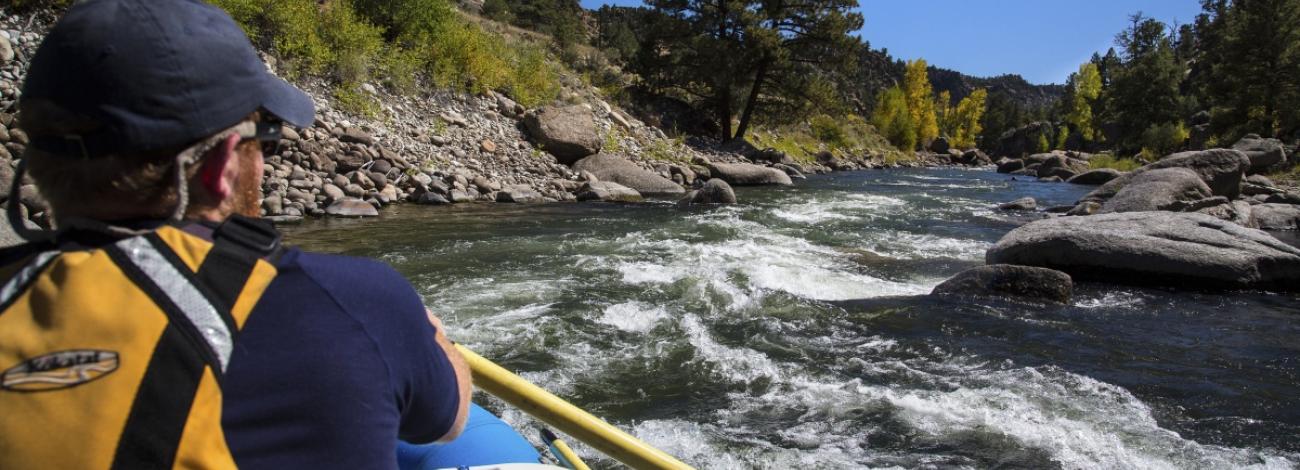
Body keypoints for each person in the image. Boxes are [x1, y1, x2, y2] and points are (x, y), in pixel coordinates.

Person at [0, 0, 470, 468]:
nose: (264, 160)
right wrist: (432, 337)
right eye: (264, 138)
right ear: (223, 165)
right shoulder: (355, 302)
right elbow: (447, 420)